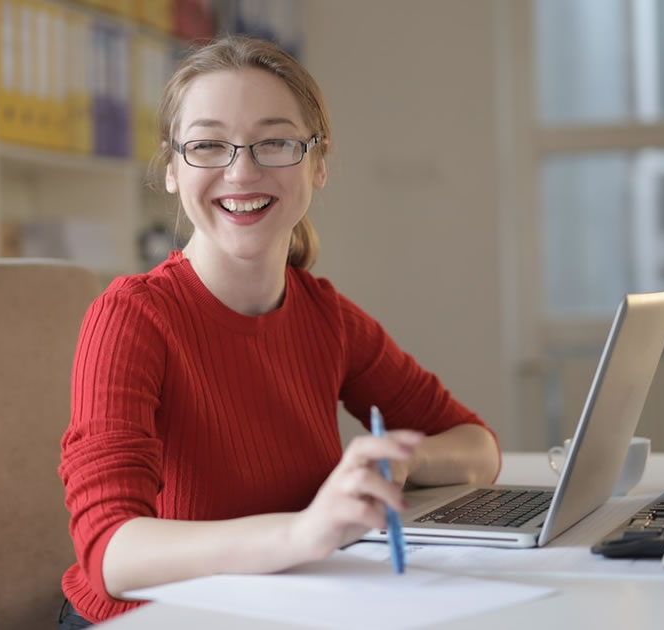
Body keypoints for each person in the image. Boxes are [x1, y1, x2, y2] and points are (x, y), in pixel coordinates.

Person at [57, 35, 501, 627]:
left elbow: (478, 447)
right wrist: (305, 532)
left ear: (318, 164)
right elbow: (109, 553)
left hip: (280, 608)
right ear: (171, 170)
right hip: (155, 617)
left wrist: (389, 465)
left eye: (274, 143)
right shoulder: (132, 319)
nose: (242, 170)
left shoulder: (326, 316)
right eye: (209, 145)